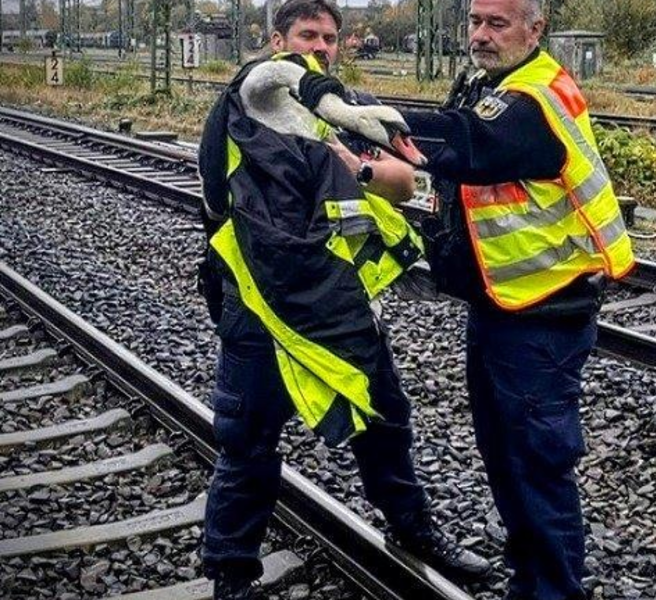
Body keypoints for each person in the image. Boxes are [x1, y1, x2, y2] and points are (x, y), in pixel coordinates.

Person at [316, 0, 636, 597]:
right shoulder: (486, 82)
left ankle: (553, 591)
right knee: (505, 458)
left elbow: (465, 142)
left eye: (498, 23)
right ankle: (529, 582)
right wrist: (363, 162)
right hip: (500, 303)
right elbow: (443, 158)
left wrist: (347, 105)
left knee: (536, 467)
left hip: (544, 314)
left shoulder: (537, 98)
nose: (481, 36)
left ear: (535, 29)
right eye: (475, 22)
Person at [197, 1, 491, 598]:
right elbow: (215, 200)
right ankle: (230, 573)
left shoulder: (342, 109)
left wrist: (357, 167)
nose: (322, 46)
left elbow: (407, 182)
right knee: (248, 440)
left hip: (340, 300)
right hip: (260, 303)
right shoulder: (242, 108)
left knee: (384, 420)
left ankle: (414, 531)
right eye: (309, 35)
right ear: (277, 41)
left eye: (330, 37)